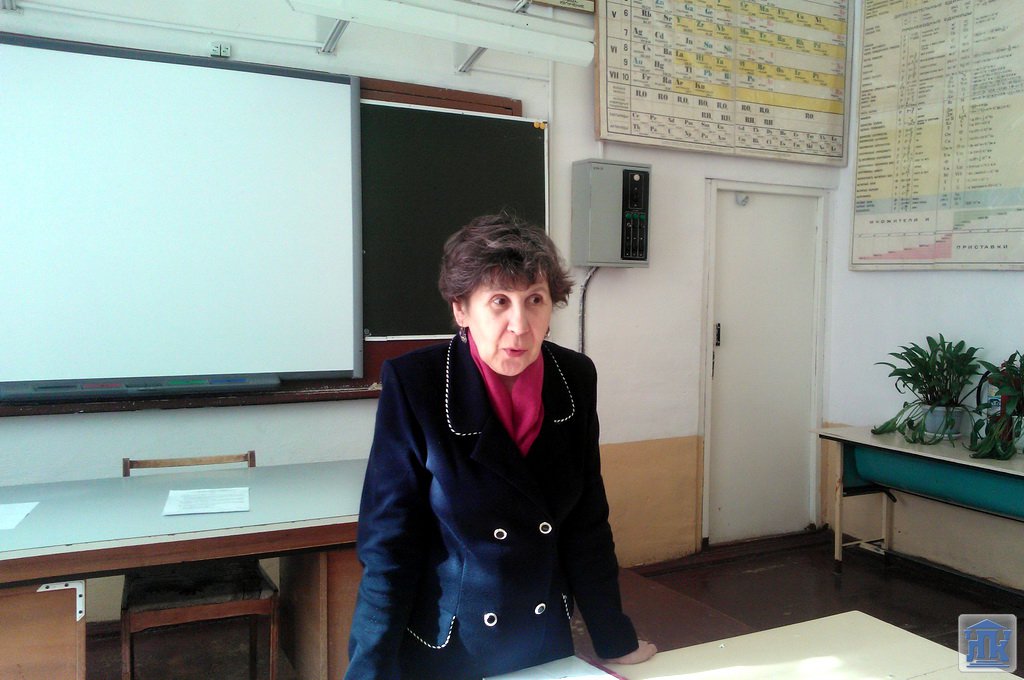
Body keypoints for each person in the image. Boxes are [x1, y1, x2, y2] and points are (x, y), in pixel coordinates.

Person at [345, 213, 657, 679]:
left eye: (535, 300)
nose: (520, 325)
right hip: (451, 646)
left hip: (542, 638)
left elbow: (587, 522)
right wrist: (368, 670)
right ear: (461, 310)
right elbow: (389, 543)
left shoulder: (574, 377)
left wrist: (614, 639)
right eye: (499, 301)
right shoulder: (418, 383)